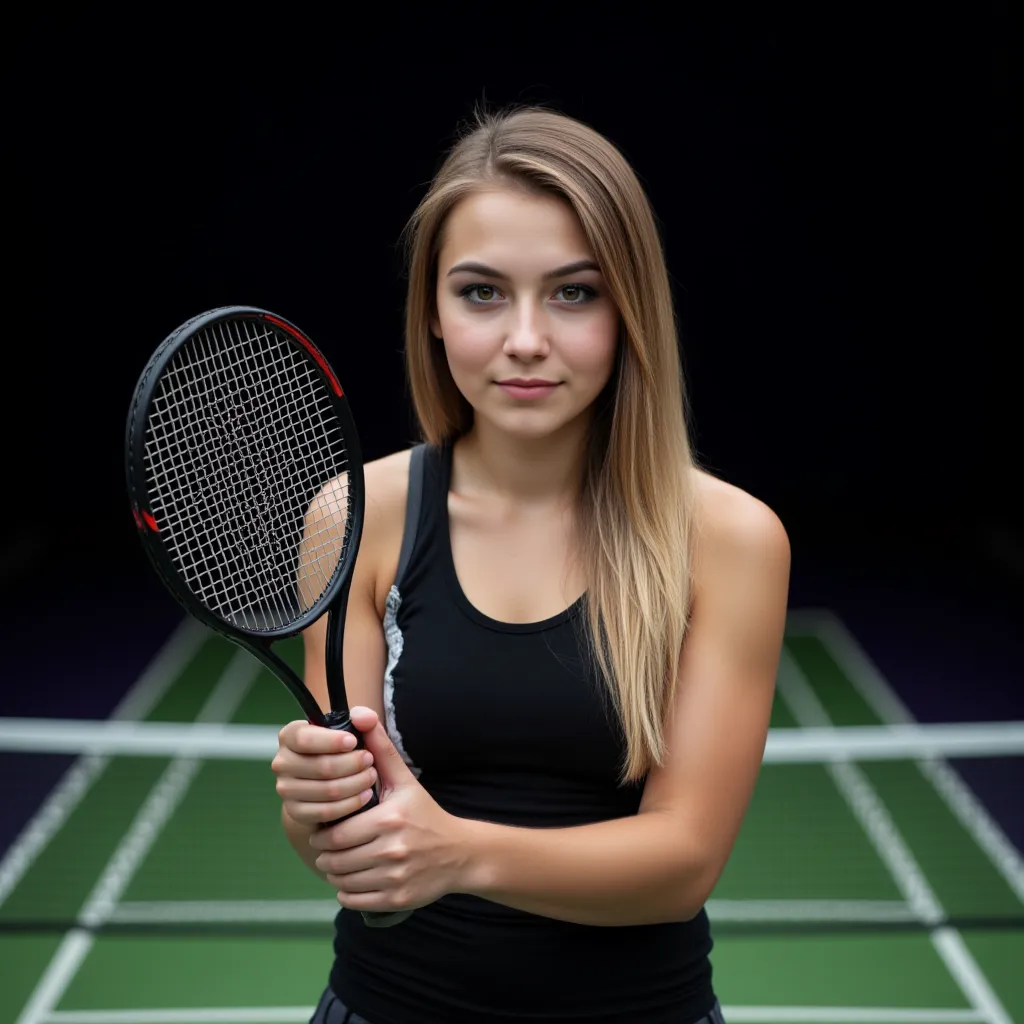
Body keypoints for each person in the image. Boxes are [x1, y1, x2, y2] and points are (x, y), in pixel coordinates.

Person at [271, 105, 791, 1024]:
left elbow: (682, 863)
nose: (523, 339)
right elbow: (345, 844)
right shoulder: (356, 518)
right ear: (431, 312)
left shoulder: (731, 538)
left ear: (630, 309)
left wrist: (461, 852)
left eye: (573, 292)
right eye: (480, 292)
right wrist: (317, 810)